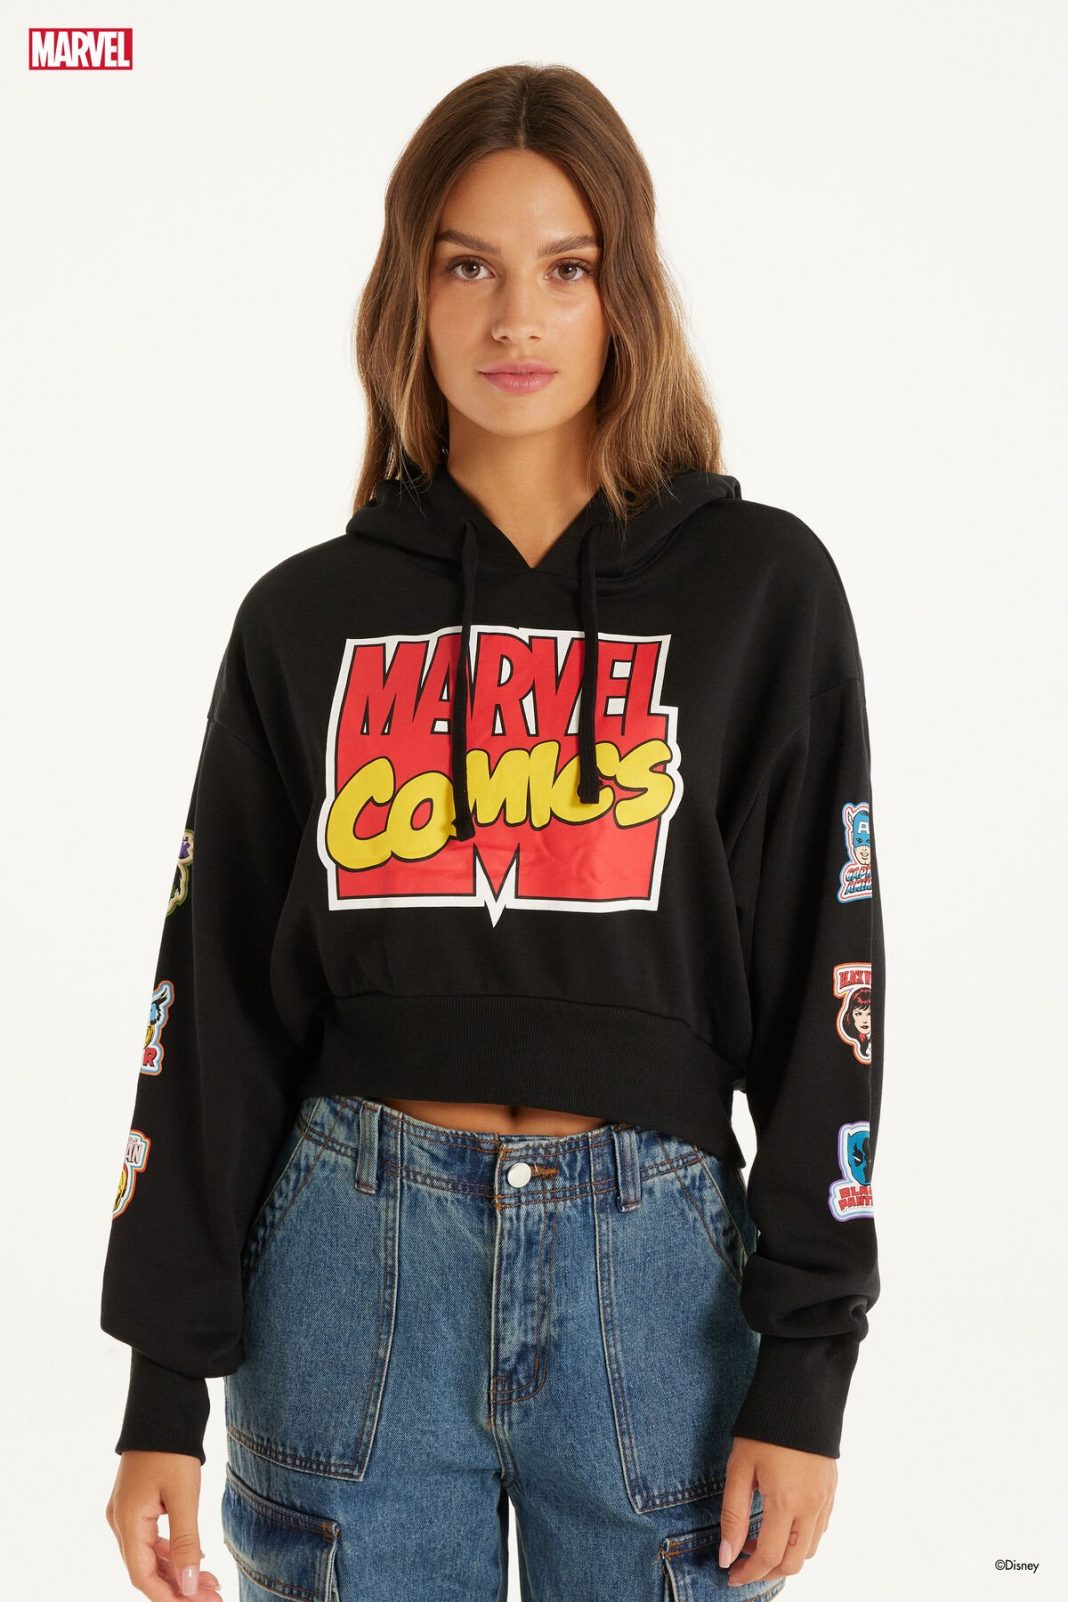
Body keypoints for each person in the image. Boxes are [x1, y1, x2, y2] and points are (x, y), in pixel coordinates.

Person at [101, 62, 885, 1602]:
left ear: (624, 292)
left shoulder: (761, 589)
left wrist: (808, 1365)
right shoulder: (305, 619)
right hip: (348, 1267)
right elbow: (210, 1013)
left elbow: (830, 981)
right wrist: (158, 1392)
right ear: (411, 290)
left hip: (657, 1285)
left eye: (565, 268)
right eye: (469, 266)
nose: (516, 317)